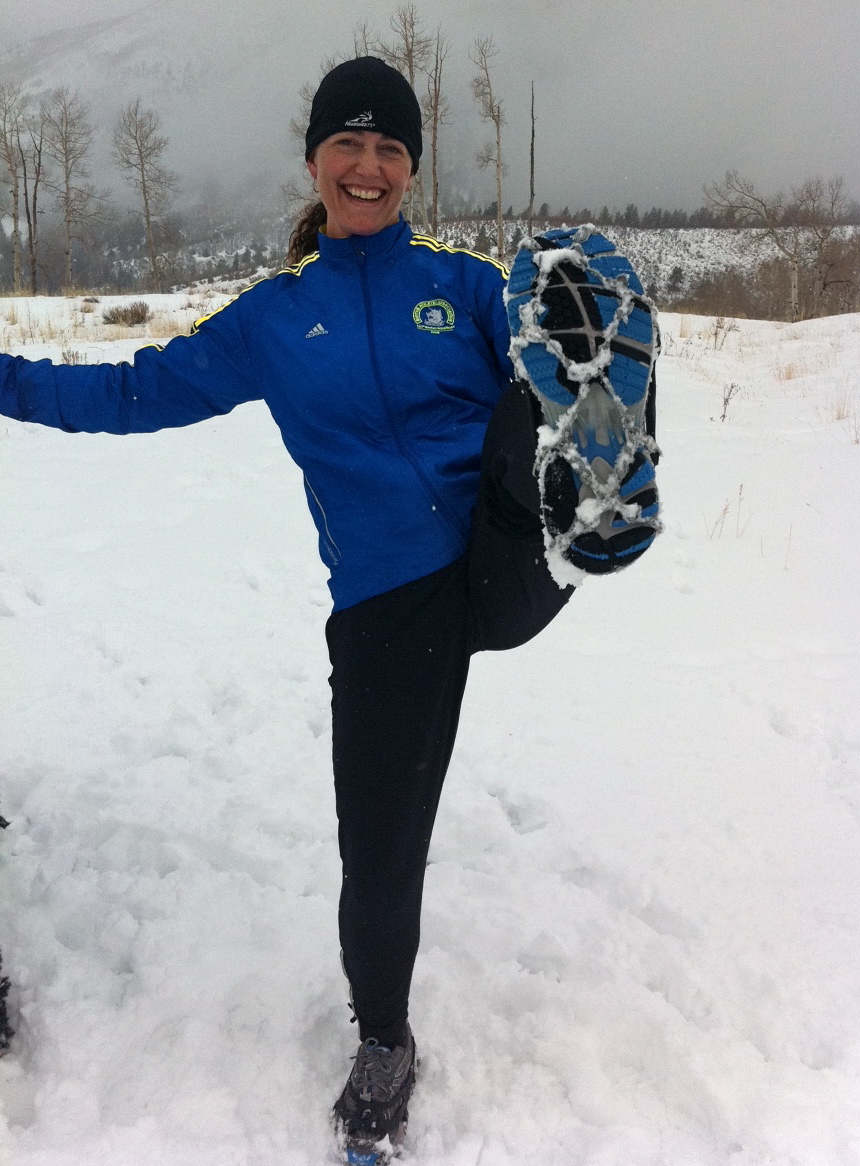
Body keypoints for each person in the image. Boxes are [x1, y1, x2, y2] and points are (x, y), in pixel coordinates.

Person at [0, 56, 659, 1165]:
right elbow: (125, 391)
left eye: (390, 148)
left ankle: (602, 488)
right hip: (392, 602)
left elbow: (539, 374)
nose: (369, 166)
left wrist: (578, 372)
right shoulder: (272, 319)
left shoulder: (459, 283)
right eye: (348, 146)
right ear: (315, 162)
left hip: (500, 562)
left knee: (535, 363)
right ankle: (386, 1041)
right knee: (380, 849)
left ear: (409, 167)